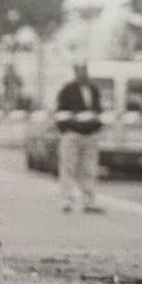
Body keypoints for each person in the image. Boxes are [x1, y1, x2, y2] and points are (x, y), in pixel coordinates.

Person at [54, 62, 104, 213]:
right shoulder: (67, 90)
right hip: (73, 134)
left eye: (85, 70)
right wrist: (68, 129)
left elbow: (98, 110)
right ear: (75, 72)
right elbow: (61, 112)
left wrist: (96, 126)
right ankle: (66, 199)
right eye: (80, 71)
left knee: (89, 169)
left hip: (90, 135)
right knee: (68, 167)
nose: (83, 73)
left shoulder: (93, 89)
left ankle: (89, 200)